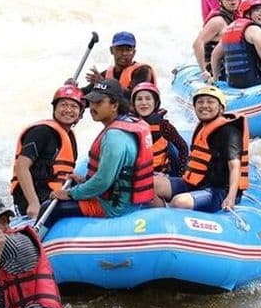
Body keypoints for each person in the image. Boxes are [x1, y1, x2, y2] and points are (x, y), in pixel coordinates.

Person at [38, 78, 155, 233]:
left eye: (98, 103)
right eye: (91, 102)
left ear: (114, 105)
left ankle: (33, 251)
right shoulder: (131, 121)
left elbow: (102, 182)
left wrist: (70, 194)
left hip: (113, 207)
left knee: (50, 208)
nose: (92, 107)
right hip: (125, 198)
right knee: (74, 188)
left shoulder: (115, 137)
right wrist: (83, 181)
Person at [154, 86, 249, 212]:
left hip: (219, 190)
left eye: (210, 102)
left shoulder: (228, 131)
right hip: (195, 184)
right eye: (200, 102)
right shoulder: (203, 127)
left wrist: (230, 197)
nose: (204, 105)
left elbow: (234, 166)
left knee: (179, 202)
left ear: (221, 108)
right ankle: (161, 221)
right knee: (150, 185)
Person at [10, 85, 82, 219]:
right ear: (55, 109)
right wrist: (33, 203)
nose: (68, 110)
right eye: (63, 105)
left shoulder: (69, 136)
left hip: (53, 195)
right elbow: (21, 166)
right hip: (34, 199)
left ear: (80, 115)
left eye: (74, 106)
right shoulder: (41, 132)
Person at [130, 81, 189, 176]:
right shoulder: (127, 124)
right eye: (139, 99)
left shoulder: (164, 126)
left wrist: (181, 173)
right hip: (134, 174)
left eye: (148, 99)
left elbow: (183, 148)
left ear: (155, 102)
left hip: (159, 175)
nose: (144, 103)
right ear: (134, 104)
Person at [193, 0, 241, 81]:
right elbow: (197, 43)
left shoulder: (236, 17)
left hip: (228, 63)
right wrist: (203, 71)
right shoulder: (217, 21)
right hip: (214, 67)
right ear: (220, 1)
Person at [84, 31, 157, 97]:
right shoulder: (105, 75)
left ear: (134, 52)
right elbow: (85, 94)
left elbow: (133, 95)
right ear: (112, 50)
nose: (124, 53)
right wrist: (74, 89)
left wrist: (104, 84)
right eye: (119, 49)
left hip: (133, 111)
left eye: (128, 50)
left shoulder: (143, 71)